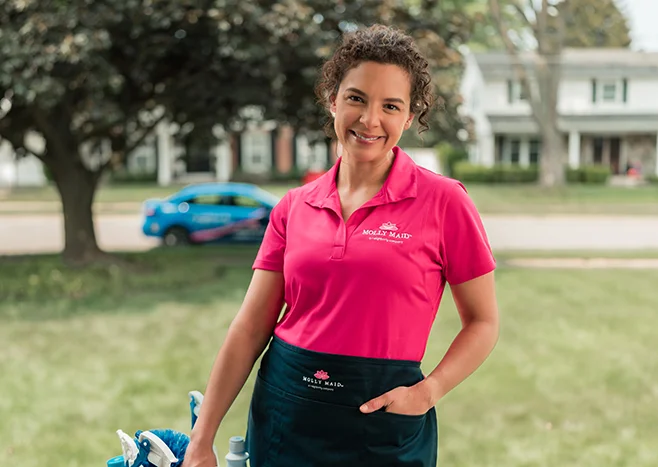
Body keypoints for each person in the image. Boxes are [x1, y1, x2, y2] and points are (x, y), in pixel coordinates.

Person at [182, 24, 499, 467]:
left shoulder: (445, 202)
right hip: (285, 414)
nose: (370, 120)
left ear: (409, 118)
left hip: (384, 422)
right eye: (356, 98)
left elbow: (483, 322)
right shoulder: (293, 206)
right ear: (333, 100)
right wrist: (202, 438)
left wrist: (430, 391)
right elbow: (251, 327)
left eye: (391, 106)